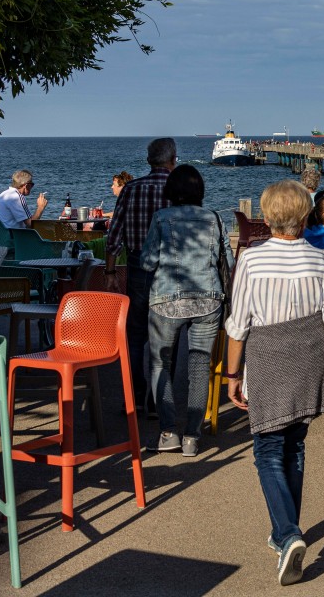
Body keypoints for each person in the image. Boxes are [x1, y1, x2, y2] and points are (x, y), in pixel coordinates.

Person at [224, 180, 324, 585]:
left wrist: (230, 374)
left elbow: (239, 324)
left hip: (269, 359)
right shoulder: (322, 261)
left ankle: (288, 533)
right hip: (310, 359)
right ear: (306, 215)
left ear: (268, 216)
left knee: (267, 449)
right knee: (294, 445)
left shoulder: (252, 261)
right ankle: (284, 533)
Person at [139, 165, 233, 457]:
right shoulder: (214, 218)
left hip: (167, 299)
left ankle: (168, 432)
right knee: (198, 368)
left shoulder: (162, 218)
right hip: (208, 299)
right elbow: (227, 260)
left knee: (159, 364)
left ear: (171, 191)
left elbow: (147, 261)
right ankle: (192, 436)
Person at [106, 138, 177, 409]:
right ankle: (158, 400)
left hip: (137, 265)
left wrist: (110, 270)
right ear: (172, 160)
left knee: (135, 335)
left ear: (149, 160)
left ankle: (135, 393)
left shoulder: (131, 189)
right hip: (171, 269)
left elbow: (115, 234)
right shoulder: (178, 191)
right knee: (168, 334)